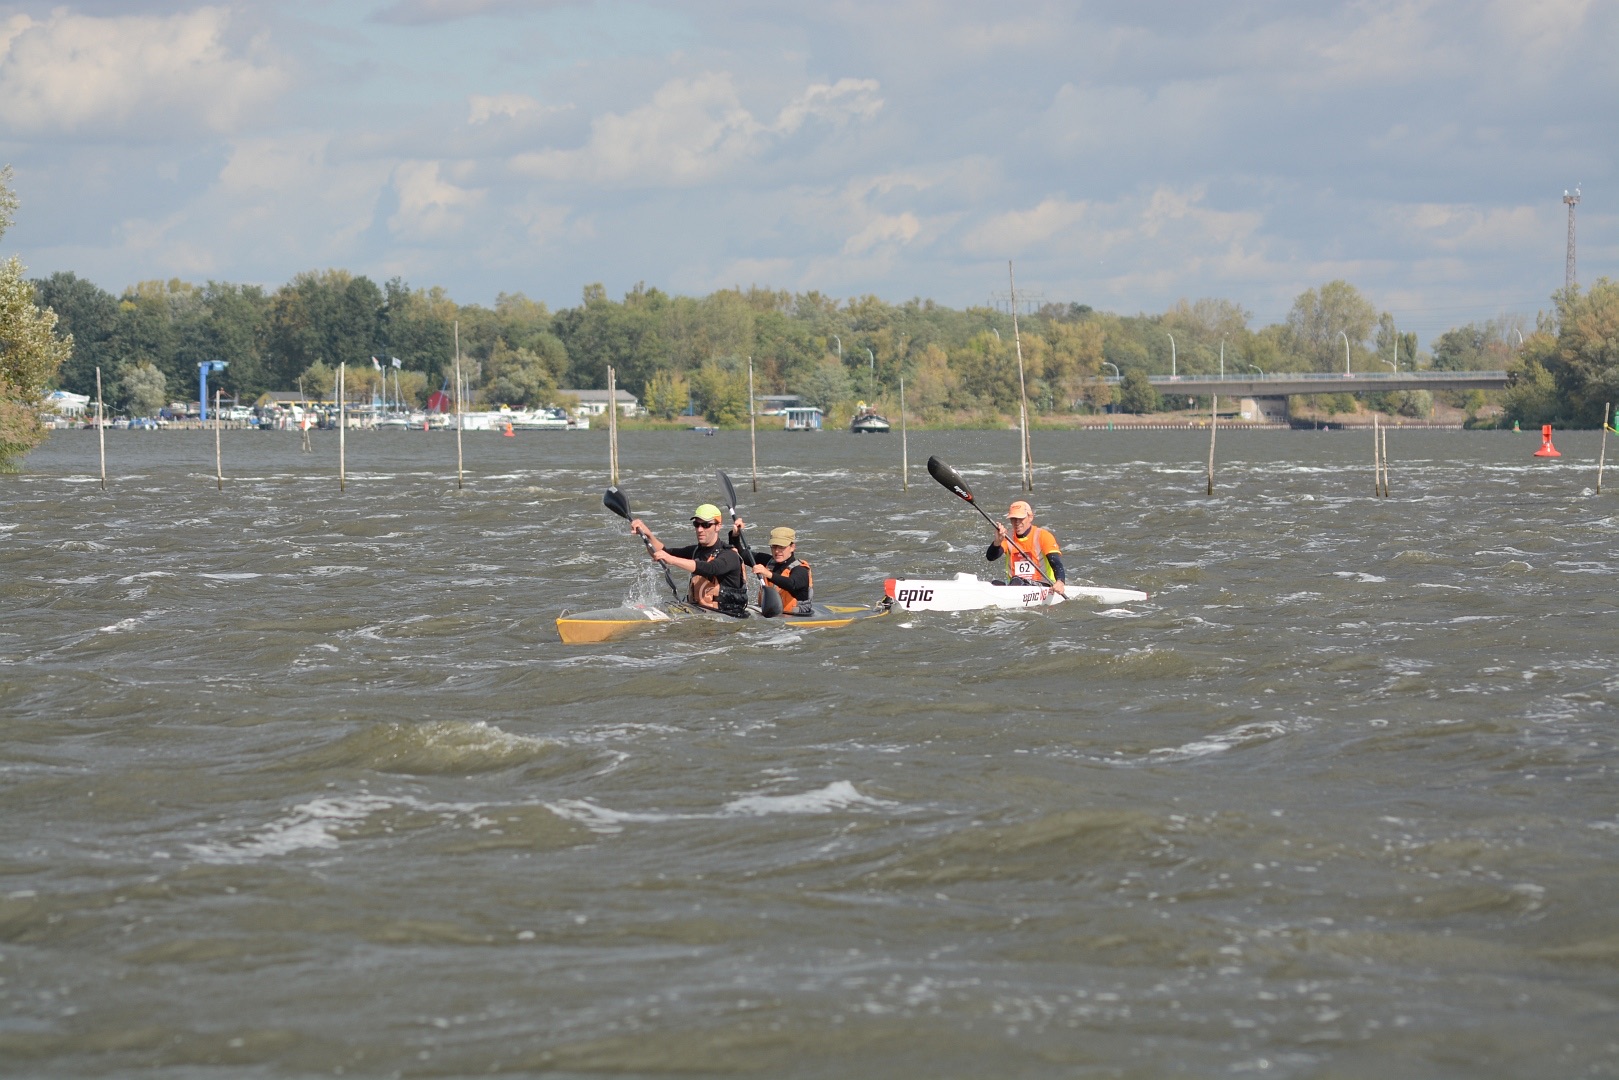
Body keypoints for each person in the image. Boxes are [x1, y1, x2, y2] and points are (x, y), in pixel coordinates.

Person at [630, 503, 749, 616]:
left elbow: (711, 568)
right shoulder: (695, 551)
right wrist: (647, 534)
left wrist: (672, 560)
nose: (700, 529)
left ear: (718, 526)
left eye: (706, 525)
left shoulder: (729, 555)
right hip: (700, 609)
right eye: (696, 525)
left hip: (728, 614)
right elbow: (662, 553)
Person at [987, 500, 1067, 596]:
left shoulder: (1043, 536)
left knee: (1016, 580)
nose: (1016, 522)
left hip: (1042, 586)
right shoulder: (1007, 537)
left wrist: (1060, 582)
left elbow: (1056, 563)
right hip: (1015, 585)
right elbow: (991, 557)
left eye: (1020, 518)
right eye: (1013, 519)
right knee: (994, 584)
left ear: (1030, 517)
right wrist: (997, 542)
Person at [739, 525, 813, 616]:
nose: (777, 551)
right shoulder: (768, 561)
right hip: (771, 614)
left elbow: (792, 584)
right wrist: (735, 535)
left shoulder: (801, 569)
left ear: (792, 547)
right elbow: (741, 554)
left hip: (795, 617)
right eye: (774, 547)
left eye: (781, 547)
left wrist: (768, 574)